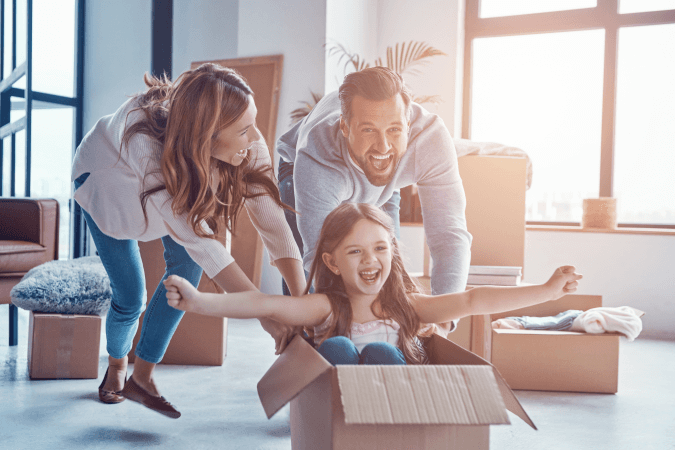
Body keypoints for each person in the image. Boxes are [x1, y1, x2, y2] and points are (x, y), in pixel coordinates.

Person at [71, 63, 306, 418]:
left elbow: (273, 223)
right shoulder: (145, 147)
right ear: (208, 136)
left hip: (169, 194)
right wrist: (267, 314)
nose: (257, 138)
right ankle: (118, 364)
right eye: (244, 130)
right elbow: (205, 244)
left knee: (187, 274)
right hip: (108, 192)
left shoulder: (245, 146)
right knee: (131, 296)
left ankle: (143, 378)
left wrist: (301, 304)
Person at [164, 203, 582, 365]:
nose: (371, 261)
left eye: (381, 249)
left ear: (393, 253)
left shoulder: (409, 308)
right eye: (355, 252)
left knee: (382, 350)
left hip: (391, 413)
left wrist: (546, 292)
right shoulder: (327, 305)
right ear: (331, 261)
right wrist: (201, 302)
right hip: (336, 414)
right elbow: (266, 305)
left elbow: (474, 299)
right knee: (338, 347)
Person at [276, 66, 472, 333]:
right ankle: (299, 343)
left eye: (394, 130)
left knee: (388, 263)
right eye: (368, 130)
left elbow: (449, 234)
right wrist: (341, 325)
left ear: (408, 123)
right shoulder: (317, 157)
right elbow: (319, 257)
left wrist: (441, 319)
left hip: (383, 182)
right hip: (299, 168)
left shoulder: (431, 140)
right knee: (307, 293)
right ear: (345, 127)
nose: (383, 145)